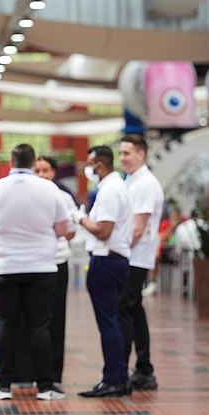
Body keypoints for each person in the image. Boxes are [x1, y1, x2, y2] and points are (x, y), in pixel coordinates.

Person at [0, 144, 68, 401]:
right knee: (40, 326)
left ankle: (3, 386)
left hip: (6, 267)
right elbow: (63, 228)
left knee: (7, 324)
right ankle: (46, 386)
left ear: (11, 162)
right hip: (42, 267)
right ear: (33, 161)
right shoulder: (50, 189)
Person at [74, 145, 133, 398]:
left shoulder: (109, 190)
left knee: (108, 324)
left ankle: (113, 380)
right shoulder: (118, 186)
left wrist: (79, 219)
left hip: (106, 262)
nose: (88, 170)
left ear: (99, 165)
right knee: (114, 322)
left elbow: (103, 231)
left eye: (90, 165)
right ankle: (119, 377)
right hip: (116, 260)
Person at [118, 134, 163, 391]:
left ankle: (125, 371)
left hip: (134, 258)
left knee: (125, 309)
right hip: (130, 256)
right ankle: (143, 368)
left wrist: (118, 253)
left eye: (127, 153)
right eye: (121, 153)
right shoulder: (132, 180)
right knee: (134, 310)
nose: (123, 158)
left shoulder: (145, 183)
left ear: (141, 154)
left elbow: (138, 229)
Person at [35, 155, 78, 384]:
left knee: (55, 319)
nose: (42, 175)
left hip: (57, 261)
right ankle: (32, 371)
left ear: (54, 173)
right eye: (38, 170)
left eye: (46, 170)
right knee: (33, 319)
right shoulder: (27, 196)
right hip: (32, 264)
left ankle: (54, 372)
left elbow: (71, 231)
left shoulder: (64, 197)